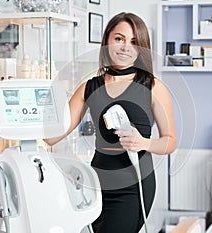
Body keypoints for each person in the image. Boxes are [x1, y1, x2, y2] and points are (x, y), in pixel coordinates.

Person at [45, 12, 176, 233]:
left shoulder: (153, 87)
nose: (126, 47)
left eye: (134, 42)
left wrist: (142, 143)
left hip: (133, 187)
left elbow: (170, 142)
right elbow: (51, 136)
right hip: (96, 184)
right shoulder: (89, 87)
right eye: (119, 38)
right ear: (107, 40)